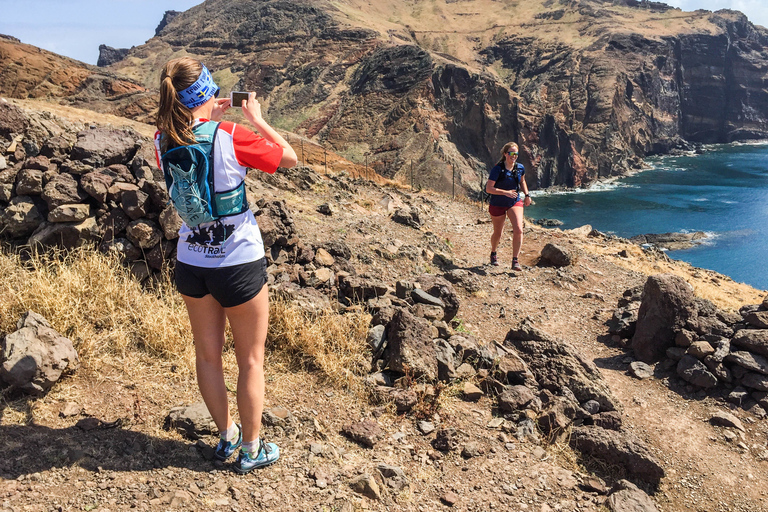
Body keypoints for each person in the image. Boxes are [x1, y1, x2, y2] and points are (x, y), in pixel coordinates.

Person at [154, 57, 297, 474]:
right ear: (208, 91)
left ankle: (226, 436)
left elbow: (190, 136)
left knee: (207, 355)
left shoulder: (163, 138)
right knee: (251, 359)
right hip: (237, 261)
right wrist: (255, 118)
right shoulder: (231, 134)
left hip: (191, 261)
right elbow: (287, 157)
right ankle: (252, 450)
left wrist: (204, 116)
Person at [485, 142, 531, 271]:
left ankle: (515, 260)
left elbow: (522, 181)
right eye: (511, 153)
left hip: (514, 201)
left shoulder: (520, 167)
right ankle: (493, 253)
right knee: (498, 232)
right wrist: (505, 192)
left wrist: (527, 195)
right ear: (505, 154)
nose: (514, 156)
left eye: (516, 153)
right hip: (497, 203)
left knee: (518, 229)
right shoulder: (497, 169)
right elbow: (489, 189)